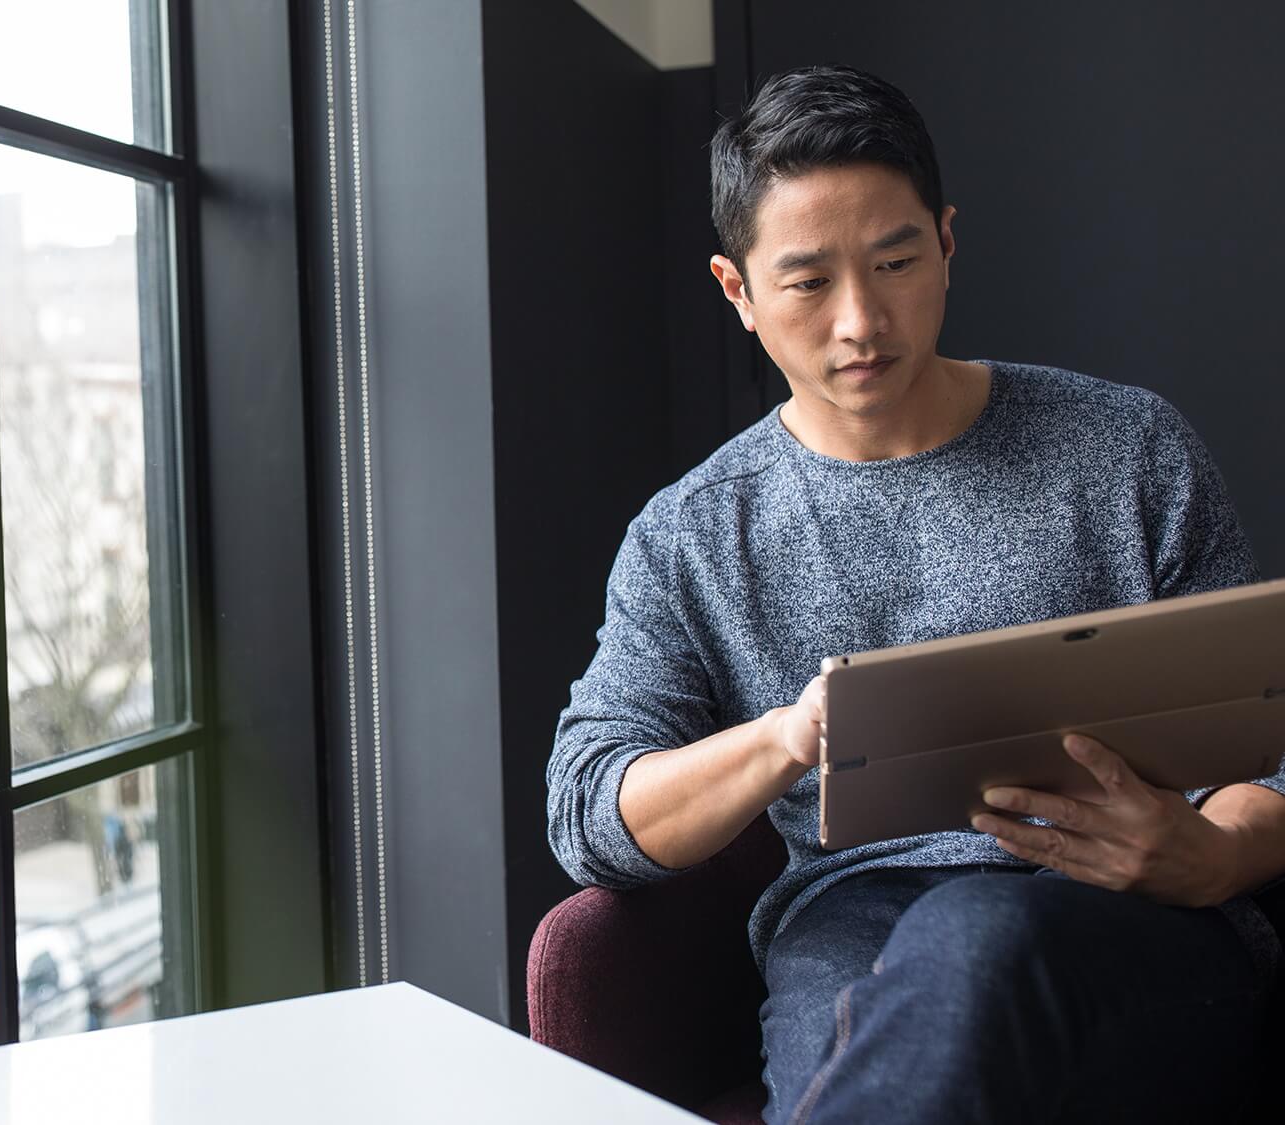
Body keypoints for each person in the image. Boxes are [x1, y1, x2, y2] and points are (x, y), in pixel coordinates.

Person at [544, 64, 1285, 1123]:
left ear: (944, 241)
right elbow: (588, 815)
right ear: (735, 293)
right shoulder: (694, 534)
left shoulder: (1124, 449)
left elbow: (1272, 732)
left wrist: (1210, 855)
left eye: (893, 261)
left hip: (1132, 916)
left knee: (965, 941)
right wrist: (789, 737)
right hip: (851, 926)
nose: (860, 321)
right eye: (806, 283)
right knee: (881, 998)